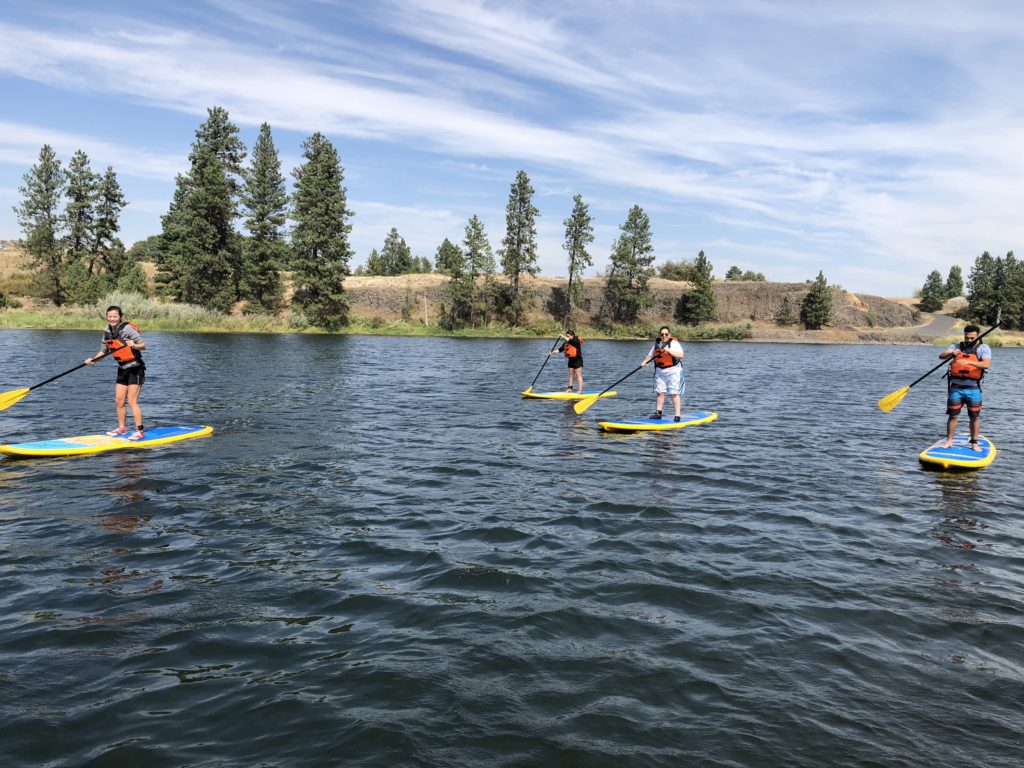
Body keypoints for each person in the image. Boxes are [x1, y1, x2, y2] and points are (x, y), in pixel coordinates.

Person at [85, 305, 147, 440]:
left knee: (131, 401)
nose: (112, 319)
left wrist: (134, 345)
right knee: (119, 400)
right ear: (107, 317)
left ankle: (140, 431)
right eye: (110, 316)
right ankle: (122, 428)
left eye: (115, 316)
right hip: (123, 369)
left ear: (120, 317)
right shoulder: (106, 332)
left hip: (136, 368)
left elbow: (143, 346)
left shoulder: (127, 329)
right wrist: (93, 359)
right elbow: (103, 351)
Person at [938, 324, 991, 451]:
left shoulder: (983, 348)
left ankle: (974, 443)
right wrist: (951, 352)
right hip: (956, 388)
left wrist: (969, 362)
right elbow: (941, 356)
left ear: (977, 336)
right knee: (953, 415)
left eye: (972, 338)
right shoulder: (956, 346)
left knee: (974, 416)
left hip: (973, 389)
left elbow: (986, 364)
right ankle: (949, 441)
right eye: (967, 337)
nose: (969, 340)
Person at [641, 326, 685, 421]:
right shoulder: (657, 343)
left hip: (673, 371)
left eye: (666, 334)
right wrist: (645, 362)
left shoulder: (674, 343)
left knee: (674, 393)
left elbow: (681, 355)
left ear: (669, 335)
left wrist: (669, 351)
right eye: (662, 334)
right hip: (660, 371)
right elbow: (650, 356)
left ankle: (677, 415)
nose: (664, 336)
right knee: (660, 392)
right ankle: (658, 413)